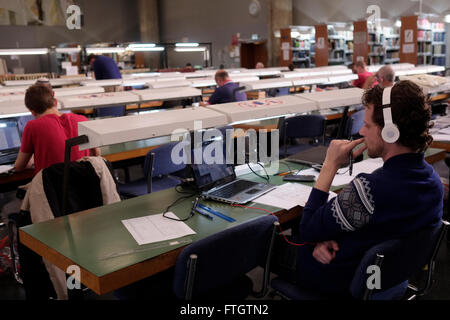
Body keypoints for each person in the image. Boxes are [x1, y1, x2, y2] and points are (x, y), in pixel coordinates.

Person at [295, 80, 443, 295]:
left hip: (341, 283)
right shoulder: (434, 182)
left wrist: (330, 164)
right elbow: (380, 227)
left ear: (390, 132)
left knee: (277, 240)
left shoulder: (368, 191)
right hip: (386, 280)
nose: (362, 131)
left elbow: (307, 229)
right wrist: (325, 237)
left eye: (368, 125)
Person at [14, 84, 100, 175]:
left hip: (51, 187)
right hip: (84, 184)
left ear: (32, 112)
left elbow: (19, 166)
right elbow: (97, 154)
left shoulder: (32, 126)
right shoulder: (83, 120)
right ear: (55, 102)